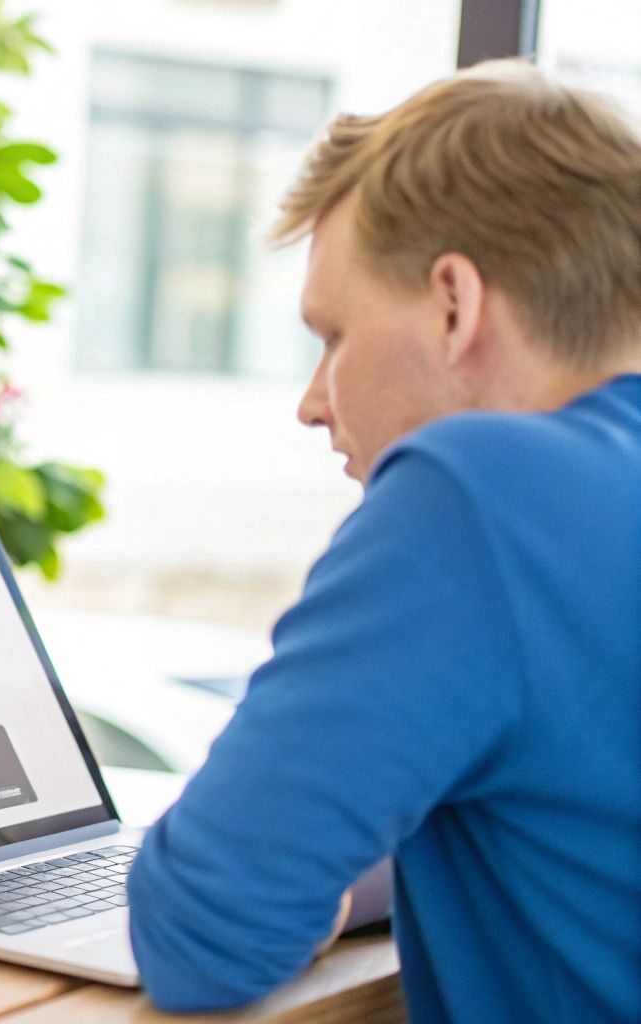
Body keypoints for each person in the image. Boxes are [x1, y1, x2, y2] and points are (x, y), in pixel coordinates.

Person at [126, 61, 641, 1021]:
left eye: (333, 335)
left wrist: (285, 872)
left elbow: (204, 932)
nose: (313, 403)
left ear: (456, 306)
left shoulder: (485, 491)